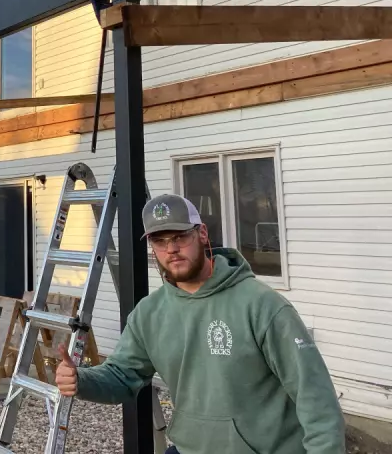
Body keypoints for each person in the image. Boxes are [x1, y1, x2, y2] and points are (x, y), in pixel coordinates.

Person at [54, 193, 345, 454]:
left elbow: (315, 397)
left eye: (180, 237)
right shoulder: (149, 314)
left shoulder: (262, 305)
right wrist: (82, 380)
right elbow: (122, 376)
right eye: (160, 241)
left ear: (202, 234)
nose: (172, 249)